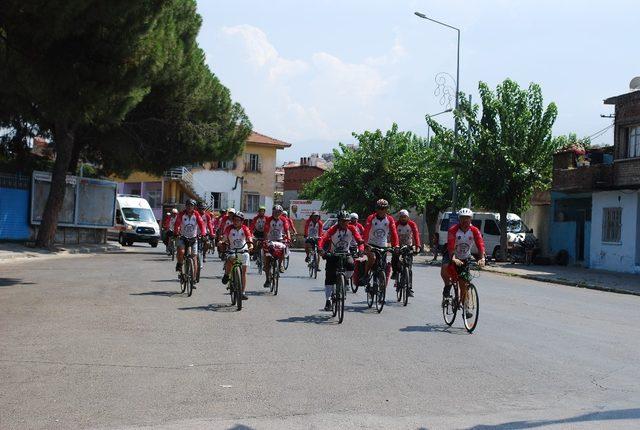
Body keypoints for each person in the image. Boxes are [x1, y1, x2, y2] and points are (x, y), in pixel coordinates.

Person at [442, 208, 485, 318]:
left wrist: (482, 258)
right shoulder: (453, 230)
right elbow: (451, 245)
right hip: (452, 255)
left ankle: (466, 308)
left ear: (471, 219)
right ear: (459, 220)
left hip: (465, 257)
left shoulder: (474, 230)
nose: (465, 221)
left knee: (464, 284)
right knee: (445, 270)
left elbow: (480, 244)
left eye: (467, 219)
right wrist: (453, 258)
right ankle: (447, 287)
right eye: (462, 219)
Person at [318, 210, 364, 311]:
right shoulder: (333, 229)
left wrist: (361, 249)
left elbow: (359, 239)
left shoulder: (352, 228)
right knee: (329, 276)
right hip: (333, 254)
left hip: (345, 253)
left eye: (347, 221)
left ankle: (344, 280)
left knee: (351, 265)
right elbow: (323, 238)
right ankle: (328, 300)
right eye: (342, 221)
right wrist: (320, 249)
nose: (345, 223)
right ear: (338, 221)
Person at [362, 199, 399, 294]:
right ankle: (366, 275)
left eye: (384, 208)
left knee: (383, 265)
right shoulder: (371, 218)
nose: (382, 210)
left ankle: (380, 283)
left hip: (383, 245)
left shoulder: (390, 219)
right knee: (372, 258)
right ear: (376, 209)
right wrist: (365, 244)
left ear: (387, 209)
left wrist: (396, 246)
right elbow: (366, 232)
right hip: (371, 244)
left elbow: (394, 233)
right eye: (379, 208)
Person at [220, 211, 253, 300]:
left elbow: (249, 237)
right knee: (230, 259)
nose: (236, 222)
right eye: (234, 220)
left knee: (243, 273)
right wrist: (222, 241)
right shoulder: (229, 228)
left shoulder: (245, 228)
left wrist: (251, 244)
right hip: (232, 250)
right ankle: (227, 274)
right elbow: (225, 236)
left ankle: (242, 292)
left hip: (243, 250)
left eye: (238, 220)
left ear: (242, 221)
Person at [173, 199, 207, 284]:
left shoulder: (196, 214)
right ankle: (179, 264)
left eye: (191, 206)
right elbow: (177, 224)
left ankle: (193, 278)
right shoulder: (181, 214)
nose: (189, 207)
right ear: (186, 206)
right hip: (183, 237)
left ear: (194, 207)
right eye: (188, 205)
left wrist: (203, 234)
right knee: (181, 251)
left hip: (193, 238)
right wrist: (176, 233)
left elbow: (201, 225)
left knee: (194, 257)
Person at [392, 209, 421, 297]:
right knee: (395, 258)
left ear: (408, 217)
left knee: (409, 268)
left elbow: (416, 235)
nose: (403, 219)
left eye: (405, 217)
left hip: (408, 246)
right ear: (399, 218)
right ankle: (394, 272)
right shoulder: (396, 224)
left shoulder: (412, 224)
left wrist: (417, 247)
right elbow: (393, 235)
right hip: (398, 245)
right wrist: (394, 246)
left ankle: (409, 288)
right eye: (401, 217)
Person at [262, 205, 290, 288]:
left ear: (281, 213)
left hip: (279, 239)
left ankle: (280, 264)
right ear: (272, 212)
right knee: (267, 260)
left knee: (284, 248)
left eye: (278, 212)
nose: (276, 213)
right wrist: (266, 241)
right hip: (270, 240)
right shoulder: (268, 220)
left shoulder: (284, 219)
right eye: (275, 212)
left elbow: (287, 230)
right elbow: (266, 231)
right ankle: (267, 279)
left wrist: (288, 238)